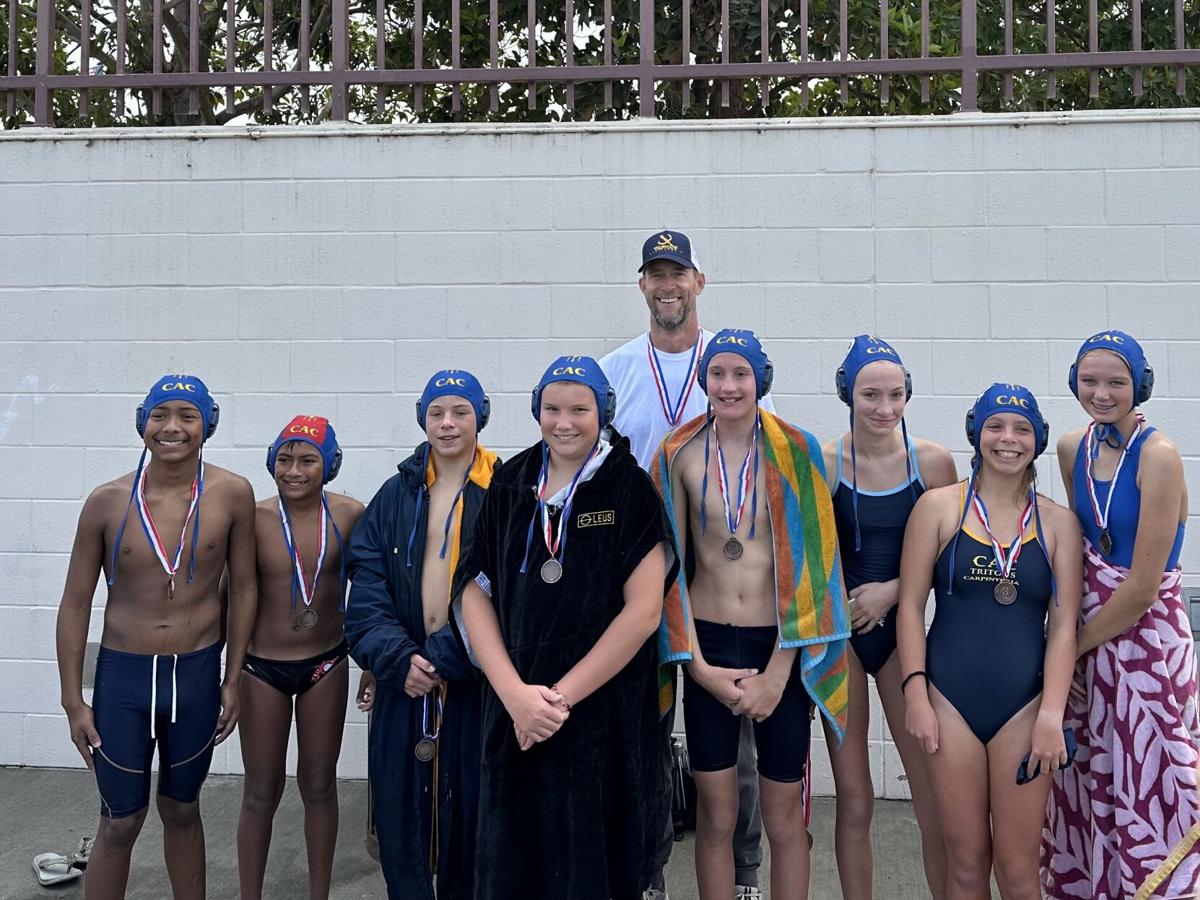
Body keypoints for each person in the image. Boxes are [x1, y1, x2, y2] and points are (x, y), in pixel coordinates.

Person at [457, 356, 676, 900]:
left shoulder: (629, 489)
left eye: (580, 409)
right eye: (551, 409)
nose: (564, 422)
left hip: (598, 718)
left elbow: (644, 612)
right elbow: (472, 591)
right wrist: (514, 695)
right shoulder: (510, 482)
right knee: (515, 865)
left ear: (603, 412)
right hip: (514, 714)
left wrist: (555, 701)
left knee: (593, 868)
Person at [600, 229, 773, 900]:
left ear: (700, 282)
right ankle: (647, 874)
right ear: (642, 285)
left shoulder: (732, 366)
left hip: (717, 577)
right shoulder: (614, 369)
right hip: (634, 576)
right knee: (642, 733)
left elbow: (765, 463)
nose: (667, 285)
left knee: (737, 736)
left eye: (679, 274)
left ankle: (747, 875)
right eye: (655, 274)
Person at [654, 329, 851, 900]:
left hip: (778, 646)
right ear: (704, 380)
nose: (729, 385)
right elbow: (669, 568)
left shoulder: (797, 449)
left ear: (760, 380)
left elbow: (817, 570)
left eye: (741, 374)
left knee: (783, 812)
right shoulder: (677, 453)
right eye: (718, 374)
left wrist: (778, 673)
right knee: (716, 814)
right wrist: (696, 667)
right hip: (709, 644)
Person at [55, 374, 257, 900]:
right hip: (125, 677)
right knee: (120, 819)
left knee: (183, 810)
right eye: (160, 415)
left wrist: (232, 679)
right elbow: (75, 602)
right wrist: (72, 699)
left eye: (187, 416)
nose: (172, 428)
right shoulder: (106, 501)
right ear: (141, 422)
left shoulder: (232, 493)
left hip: (195, 673)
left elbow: (244, 589)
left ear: (207, 425)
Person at [898, 383, 1081, 899]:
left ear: (1038, 440)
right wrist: (916, 692)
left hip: (1024, 708)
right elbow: (910, 606)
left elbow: (1064, 626)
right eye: (996, 426)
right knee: (966, 862)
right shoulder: (938, 509)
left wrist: (1051, 713)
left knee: (1019, 867)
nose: (1008, 439)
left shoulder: (1059, 524)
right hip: (948, 701)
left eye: (1022, 429)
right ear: (976, 433)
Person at [1042, 332, 1200, 899]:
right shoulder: (1070, 448)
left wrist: (1070, 647)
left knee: (1154, 782)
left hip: (1146, 645)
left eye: (1116, 382)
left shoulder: (1158, 455)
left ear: (1141, 386)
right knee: (1092, 776)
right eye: (1090, 381)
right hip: (1089, 641)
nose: (1102, 393)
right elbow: (1086, 549)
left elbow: (1139, 591)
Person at [345, 370, 500, 900]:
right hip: (404, 681)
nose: (448, 423)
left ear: (481, 415)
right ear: (422, 418)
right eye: (437, 413)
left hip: (476, 683)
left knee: (474, 821)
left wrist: (444, 657)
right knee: (400, 819)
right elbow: (366, 584)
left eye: (459, 411)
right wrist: (395, 657)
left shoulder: (505, 489)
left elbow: (511, 593)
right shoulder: (395, 494)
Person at [821, 335, 956, 900]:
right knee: (854, 797)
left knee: (930, 799)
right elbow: (810, 560)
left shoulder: (932, 461)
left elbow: (954, 552)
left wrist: (894, 592)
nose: (884, 408)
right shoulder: (826, 461)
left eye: (895, 395)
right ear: (847, 395)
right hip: (843, 638)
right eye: (870, 395)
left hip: (905, 636)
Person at [236, 415, 365, 900]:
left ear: (328, 465)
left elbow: (370, 592)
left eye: (307, 460)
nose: (294, 470)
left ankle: (319, 893)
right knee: (260, 790)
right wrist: (224, 677)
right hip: (260, 667)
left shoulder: (351, 515)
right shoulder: (252, 518)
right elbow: (228, 596)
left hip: (325, 663)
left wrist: (370, 662)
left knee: (318, 785)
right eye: (285, 459)